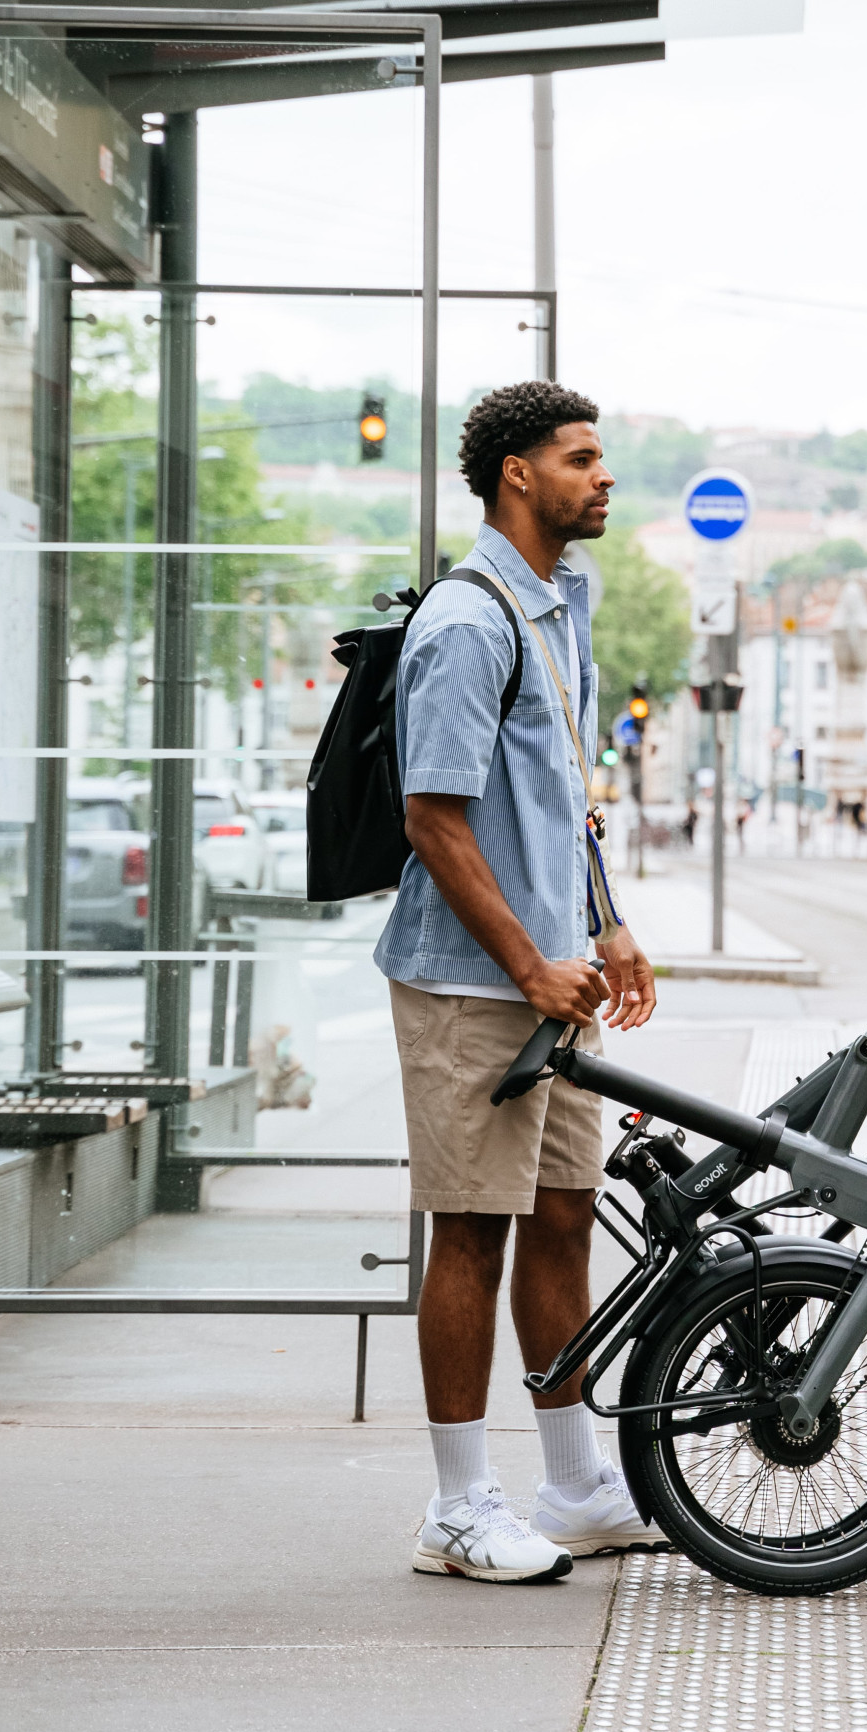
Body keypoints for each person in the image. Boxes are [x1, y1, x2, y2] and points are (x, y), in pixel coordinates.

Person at [377, 380, 661, 1585]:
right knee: (472, 1235)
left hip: (551, 980)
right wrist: (528, 964)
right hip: (473, 988)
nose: (602, 477)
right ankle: (455, 1507)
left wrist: (606, 929)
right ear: (516, 476)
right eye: (581, 459)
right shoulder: (469, 620)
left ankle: (574, 1483)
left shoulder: (553, 611)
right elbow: (435, 820)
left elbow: (550, 805)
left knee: (557, 1222)